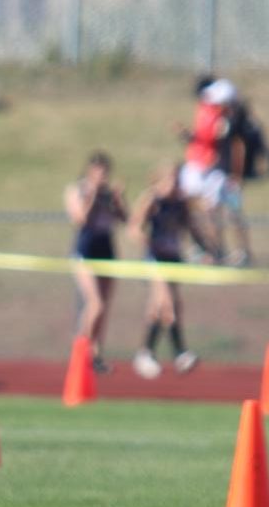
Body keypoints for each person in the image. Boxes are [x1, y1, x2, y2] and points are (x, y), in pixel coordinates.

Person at [129, 167, 214, 379]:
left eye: (177, 182)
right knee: (168, 304)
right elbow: (134, 228)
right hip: (155, 260)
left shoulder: (180, 203)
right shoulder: (152, 201)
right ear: (159, 182)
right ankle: (180, 353)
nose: (174, 186)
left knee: (160, 308)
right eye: (170, 182)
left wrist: (205, 249)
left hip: (173, 257)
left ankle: (145, 353)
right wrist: (148, 242)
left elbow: (192, 228)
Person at [64, 151, 128, 373]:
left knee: (104, 308)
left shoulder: (108, 194)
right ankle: (81, 351)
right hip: (85, 250)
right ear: (91, 171)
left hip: (106, 249)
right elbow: (80, 219)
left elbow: (124, 219)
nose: (103, 176)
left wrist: (119, 199)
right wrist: (92, 195)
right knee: (95, 303)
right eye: (99, 171)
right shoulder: (78, 190)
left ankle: (96, 353)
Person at [178, 76, 247, 264]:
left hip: (218, 172)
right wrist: (189, 136)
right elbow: (203, 138)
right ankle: (209, 249)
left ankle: (229, 251)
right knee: (199, 209)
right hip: (203, 167)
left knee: (225, 212)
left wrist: (236, 175)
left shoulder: (230, 122)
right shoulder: (206, 110)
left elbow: (235, 147)